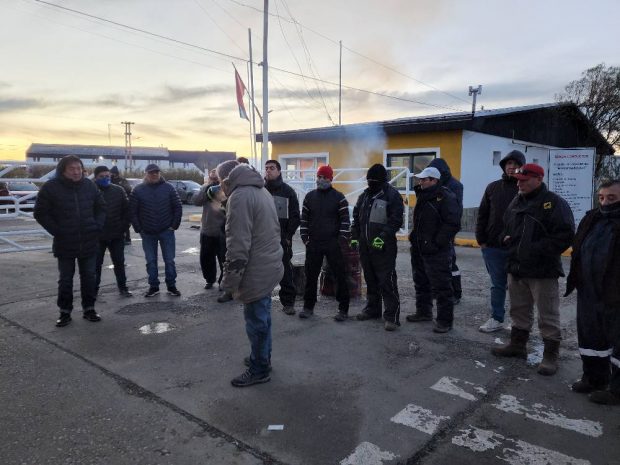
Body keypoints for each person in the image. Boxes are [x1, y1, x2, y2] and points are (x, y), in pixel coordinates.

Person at [491, 163, 574, 376]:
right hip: (516, 267)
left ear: (539, 179)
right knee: (518, 309)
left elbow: (564, 236)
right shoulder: (516, 201)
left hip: (542, 270)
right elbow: (505, 227)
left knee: (548, 314)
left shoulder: (554, 203)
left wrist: (533, 249)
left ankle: (550, 356)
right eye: (518, 180)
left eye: (524, 180)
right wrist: (503, 239)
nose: (519, 184)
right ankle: (517, 345)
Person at [216, 160, 283, 387]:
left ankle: (259, 369)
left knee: (256, 322)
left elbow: (237, 245)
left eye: (220, 182)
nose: (220, 187)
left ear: (226, 180)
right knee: (263, 318)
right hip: (269, 263)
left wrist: (229, 282)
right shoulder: (260, 189)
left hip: (256, 269)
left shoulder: (240, 196)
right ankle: (262, 357)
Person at [34, 155, 106, 327]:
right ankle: (65, 312)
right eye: (72, 169)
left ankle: (89, 308)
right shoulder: (51, 187)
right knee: (65, 279)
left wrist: (97, 226)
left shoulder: (89, 186)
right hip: (65, 242)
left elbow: (101, 207)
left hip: (89, 240)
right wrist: (57, 231)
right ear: (63, 171)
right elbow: (40, 213)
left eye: (78, 168)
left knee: (89, 277)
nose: (76, 172)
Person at [565, 179, 620, 405]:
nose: (605, 202)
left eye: (612, 198)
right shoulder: (592, 218)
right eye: (601, 198)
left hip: (615, 294)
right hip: (588, 290)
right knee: (590, 338)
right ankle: (594, 378)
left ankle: (617, 390)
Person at [475, 150, 525, 332]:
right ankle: (496, 318)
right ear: (504, 166)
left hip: (518, 247)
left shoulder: (525, 188)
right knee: (497, 285)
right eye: (508, 164)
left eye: (516, 164)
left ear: (522, 167)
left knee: (518, 286)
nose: (512, 167)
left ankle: (518, 321)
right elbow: (482, 214)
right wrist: (481, 240)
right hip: (493, 246)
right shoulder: (493, 187)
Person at [406, 166, 461, 333]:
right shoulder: (423, 195)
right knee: (421, 281)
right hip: (419, 247)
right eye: (420, 179)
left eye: (424, 179)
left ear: (434, 180)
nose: (420, 182)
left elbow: (452, 223)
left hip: (437, 251)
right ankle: (424, 312)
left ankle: (445, 321)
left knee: (442, 286)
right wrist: (414, 237)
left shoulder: (445, 197)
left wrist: (436, 243)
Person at [352, 164, 404, 331]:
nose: (371, 183)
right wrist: (354, 238)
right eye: (369, 180)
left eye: (373, 180)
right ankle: (373, 309)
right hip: (365, 246)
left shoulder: (392, 196)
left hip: (384, 247)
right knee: (371, 279)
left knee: (386, 280)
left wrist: (382, 237)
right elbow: (356, 218)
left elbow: (396, 220)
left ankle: (391, 316)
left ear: (382, 181)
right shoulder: (364, 196)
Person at [299, 165, 350, 321]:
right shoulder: (309, 197)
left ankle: (343, 309)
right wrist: (305, 238)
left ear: (330, 179)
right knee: (311, 275)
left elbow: (345, 221)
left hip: (333, 243)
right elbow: (304, 220)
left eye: (324, 177)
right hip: (313, 243)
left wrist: (341, 240)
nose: (321, 180)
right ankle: (308, 307)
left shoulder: (339, 198)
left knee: (340, 275)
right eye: (319, 177)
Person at [129, 164, 183, 297]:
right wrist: (139, 228)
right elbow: (132, 211)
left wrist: (173, 226)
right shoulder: (138, 190)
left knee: (169, 260)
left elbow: (177, 207)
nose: (154, 175)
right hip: (147, 232)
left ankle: (171, 286)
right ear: (146, 174)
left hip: (166, 231)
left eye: (156, 172)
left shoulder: (169, 188)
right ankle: (153, 286)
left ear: (159, 173)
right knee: (151, 261)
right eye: (151, 172)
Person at [264, 159, 301, 315]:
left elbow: (295, 216)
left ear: (279, 171)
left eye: (272, 168)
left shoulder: (288, 192)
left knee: (285, 271)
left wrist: (287, 236)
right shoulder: (261, 191)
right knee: (262, 271)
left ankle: (288, 303)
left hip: (282, 239)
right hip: (263, 239)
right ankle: (262, 302)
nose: (268, 171)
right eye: (266, 168)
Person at [427, 158, 463, 304]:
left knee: (449, 261)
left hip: (447, 229)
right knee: (434, 262)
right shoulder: (434, 183)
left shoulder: (455, 185)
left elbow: (456, 210)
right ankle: (437, 290)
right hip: (433, 229)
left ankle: (455, 292)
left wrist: (448, 230)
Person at [93, 166, 132, 297]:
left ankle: (123, 288)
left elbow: (127, 211)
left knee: (119, 263)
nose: (105, 178)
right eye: (102, 176)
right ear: (96, 177)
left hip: (116, 234)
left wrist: (123, 227)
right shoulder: (90, 190)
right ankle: (93, 290)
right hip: (97, 236)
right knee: (96, 265)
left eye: (107, 176)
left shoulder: (118, 190)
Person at [194, 169, 227, 293]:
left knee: (224, 259)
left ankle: (223, 281)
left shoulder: (226, 188)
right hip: (207, 229)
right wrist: (207, 188)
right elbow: (197, 201)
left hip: (223, 230)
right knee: (206, 258)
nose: (214, 180)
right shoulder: (205, 188)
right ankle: (209, 279)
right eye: (212, 177)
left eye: (216, 178)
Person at [110, 165, 133, 245]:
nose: (111, 174)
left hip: (122, 204)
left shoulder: (122, 180)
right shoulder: (110, 180)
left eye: (112, 173)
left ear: (115, 173)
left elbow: (128, 189)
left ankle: (127, 239)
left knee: (124, 222)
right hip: (113, 204)